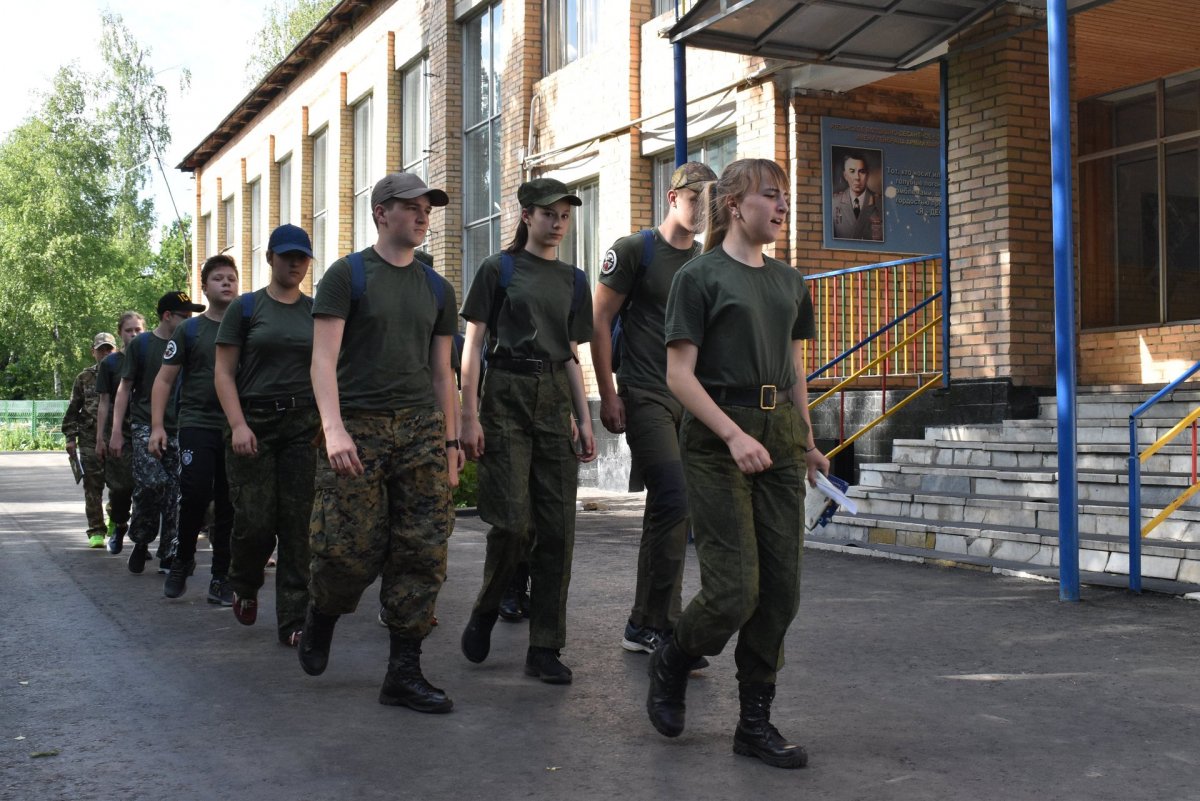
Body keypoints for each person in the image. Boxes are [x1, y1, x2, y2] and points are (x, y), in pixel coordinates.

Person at [646, 158, 830, 770]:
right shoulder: (699, 278)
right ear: (734, 205)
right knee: (735, 590)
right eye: (771, 196)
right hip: (718, 434)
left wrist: (806, 440)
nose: (781, 207)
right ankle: (674, 655)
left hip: (778, 435)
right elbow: (678, 375)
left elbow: (794, 366)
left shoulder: (788, 282)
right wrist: (730, 435)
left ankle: (754, 724)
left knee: (781, 592)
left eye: (785, 199)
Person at [300, 173, 460, 713]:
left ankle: (404, 672)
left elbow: (443, 373)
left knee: (423, 548)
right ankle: (322, 613)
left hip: (419, 430)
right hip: (358, 427)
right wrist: (333, 428)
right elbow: (322, 360)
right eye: (411, 207)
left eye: (427, 208)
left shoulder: (437, 287)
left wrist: (452, 441)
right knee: (347, 550)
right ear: (380, 213)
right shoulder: (348, 276)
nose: (422, 216)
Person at [458, 177, 597, 685]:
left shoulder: (574, 280)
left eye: (564, 215)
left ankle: (545, 646)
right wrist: (468, 414)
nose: (558, 223)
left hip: (554, 398)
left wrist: (583, 420)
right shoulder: (500, 269)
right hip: (506, 394)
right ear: (526, 216)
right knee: (514, 522)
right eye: (548, 214)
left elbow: (570, 356)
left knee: (559, 529)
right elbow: (472, 344)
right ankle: (488, 606)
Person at [590, 161, 716, 656]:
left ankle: (647, 622)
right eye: (695, 200)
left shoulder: (706, 261)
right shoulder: (634, 251)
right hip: (644, 392)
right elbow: (599, 321)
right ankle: (661, 624)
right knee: (674, 498)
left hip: (692, 400)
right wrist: (609, 392)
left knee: (672, 510)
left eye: (711, 201)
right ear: (672, 196)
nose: (703, 210)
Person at [214, 224, 318, 647]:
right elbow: (223, 374)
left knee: (298, 527)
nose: (294, 263)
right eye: (287, 255)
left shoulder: (316, 310)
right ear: (270, 258)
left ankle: (293, 620)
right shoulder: (246, 308)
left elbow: (329, 369)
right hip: (252, 422)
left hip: (303, 425)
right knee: (255, 521)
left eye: (302, 257)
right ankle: (244, 583)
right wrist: (238, 424)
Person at [152, 255, 240, 603]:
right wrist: (157, 426)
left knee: (230, 503)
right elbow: (163, 379)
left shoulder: (246, 325)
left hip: (235, 427)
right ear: (204, 287)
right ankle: (182, 560)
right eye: (218, 278)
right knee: (195, 494)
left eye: (232, 277)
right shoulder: (190, 329)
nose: (226, 283)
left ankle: (221, 578)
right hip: (196, 424)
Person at [111, 292, 205, 574]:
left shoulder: (190, 342)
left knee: (177, 492)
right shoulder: (142, 345)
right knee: (152, 483)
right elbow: (125, 388)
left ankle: (168, 554)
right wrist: (116, 430)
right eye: (184, 316)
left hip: (179, 427)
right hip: (143, 425)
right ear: (167, 316)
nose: (189, 322)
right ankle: (141, 540)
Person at [95, 312, 145, 554]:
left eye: (138, 330)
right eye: (129, 330)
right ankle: (119, 525)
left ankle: (142, 539)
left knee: (147, 488)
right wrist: (100, 438)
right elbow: (104, 402)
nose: (134, 334)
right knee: (121, 487)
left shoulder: (152, 357)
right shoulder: (111, 363)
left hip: (146, 429)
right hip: (119, 433)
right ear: (120, 333)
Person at [62, 332, 118, 547]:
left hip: (116, 438)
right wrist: (70, 438)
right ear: (93, 352)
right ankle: (96, 530)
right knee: (93, 486)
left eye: (109, 349)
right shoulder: (84, 378)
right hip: (89, 439)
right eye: (101, 349)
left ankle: (116, 518)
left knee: (120, 485)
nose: (105, 353)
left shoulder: (123, 374)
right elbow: (73, 410)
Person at [831, 151, 883, 241]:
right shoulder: (834, 202)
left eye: (861, 172)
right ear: (845, 175)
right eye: (852, 171)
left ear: (867, 175)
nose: (857, 177)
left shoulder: (881, 204)